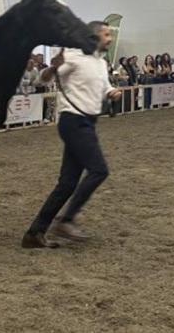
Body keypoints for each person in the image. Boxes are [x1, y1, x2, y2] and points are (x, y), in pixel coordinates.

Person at [22, 21, 122, 248]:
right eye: (106, 34)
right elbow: (43, 79)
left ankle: (34, 233)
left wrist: (112, 92)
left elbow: (104, 86)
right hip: (73, 120)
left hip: (87, 121)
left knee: (67, 183)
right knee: (99, 170)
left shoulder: (99, 61)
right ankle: (66, 219)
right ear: (94, 36)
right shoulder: (73, 56)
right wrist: (53, 67)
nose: (110, 38)